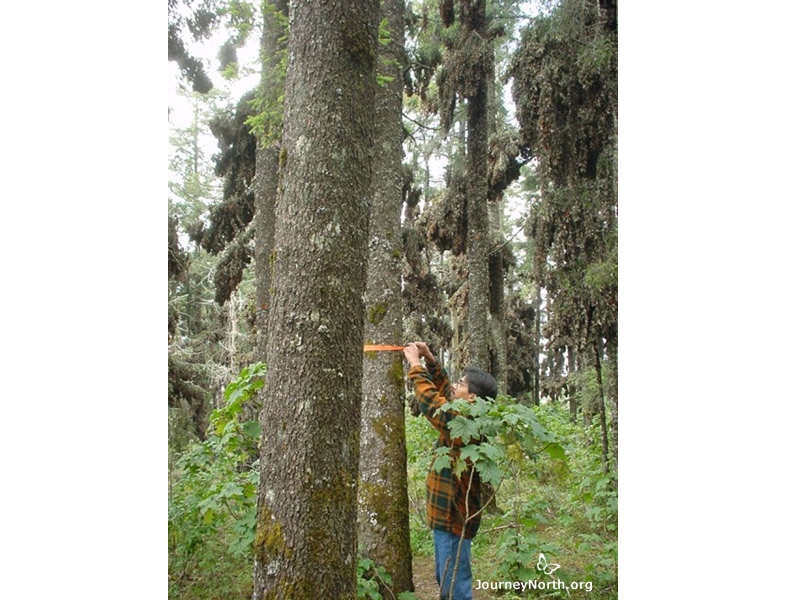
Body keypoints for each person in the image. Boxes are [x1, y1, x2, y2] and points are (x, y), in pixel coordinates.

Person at [403, 341, 498, 600]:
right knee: (446, 580)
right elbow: (445, 392)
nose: (455, 385)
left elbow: (432, 405)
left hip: (452, 519)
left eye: (462, 383)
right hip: (446, 518)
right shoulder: (466, 413)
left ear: (473, 398)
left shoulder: (466, 423)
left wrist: (415, 365)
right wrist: (431, 360)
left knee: (453, 586)